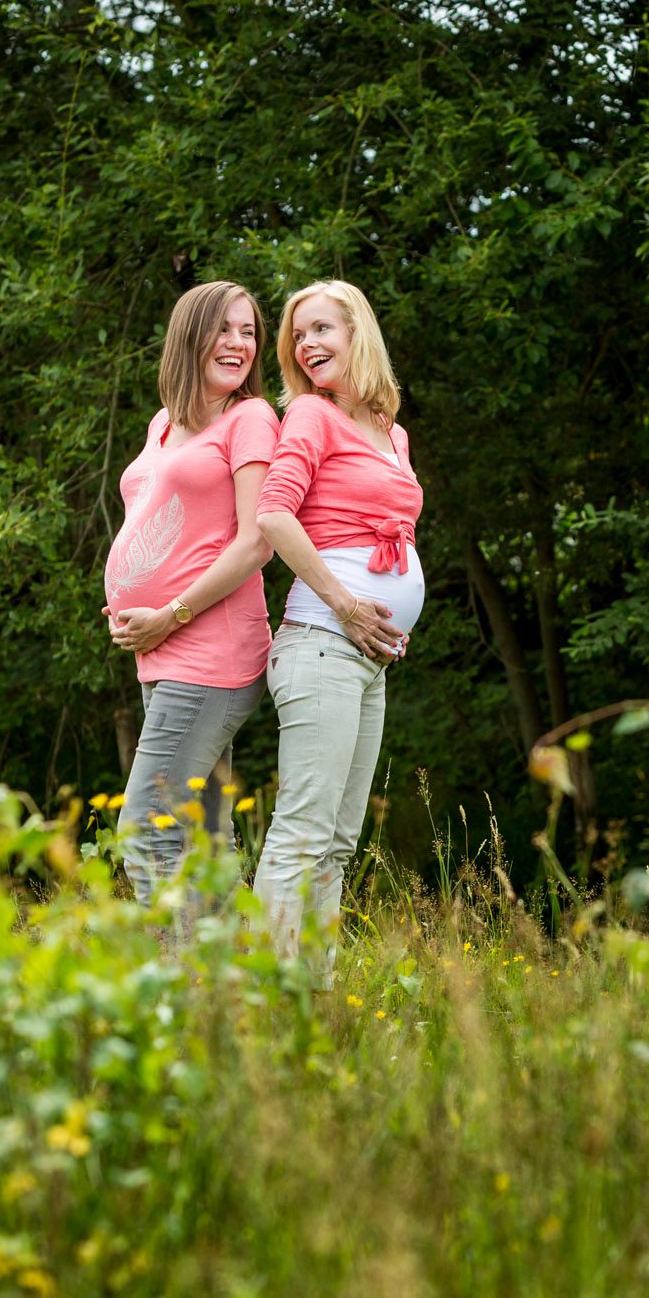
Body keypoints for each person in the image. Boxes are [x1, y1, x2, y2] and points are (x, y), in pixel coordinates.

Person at [252, 280, 424, 980]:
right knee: (301, 834)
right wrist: (349, 603)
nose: (307, 344)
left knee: (337, 843)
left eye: (321, 328)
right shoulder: (310, 418)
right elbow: (273, 515)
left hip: (365, 660)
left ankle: (309, 992)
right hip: (322, 641)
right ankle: (263, 997)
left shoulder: (390, 428)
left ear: (359, 333)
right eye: (298, 335)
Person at [104, 280, 280, 911]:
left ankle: (183, 989)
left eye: (249, 332)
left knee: (148, 828)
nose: (239, 343)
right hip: (160, 649)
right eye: (225, 329)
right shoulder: (164, 423)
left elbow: (256, 541)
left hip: (210, 651)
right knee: (204, 837)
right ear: (189, 336)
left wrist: (169, 613)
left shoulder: (252, 419)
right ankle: (233, 991)